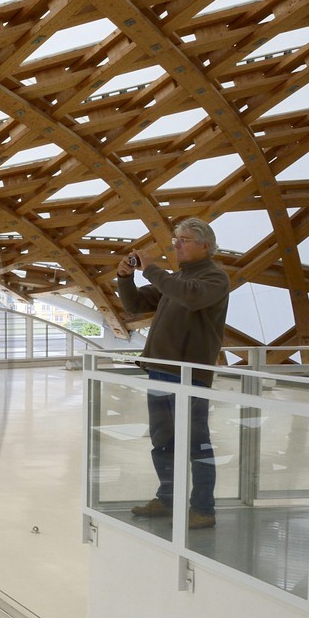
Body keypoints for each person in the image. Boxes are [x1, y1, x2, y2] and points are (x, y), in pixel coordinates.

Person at [115, 219, 230, 529]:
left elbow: (190, 296)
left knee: (196, 442)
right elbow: (134, 305)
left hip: (188, 375)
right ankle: (168, 499)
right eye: (176, 239)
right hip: (161, 371)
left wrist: (152, 269)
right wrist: (124, 278)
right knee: (163, 440)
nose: (176, 244)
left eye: (185, 240)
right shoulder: (177, 279)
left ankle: (203, 508)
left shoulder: (214, 279)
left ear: (206, 245)